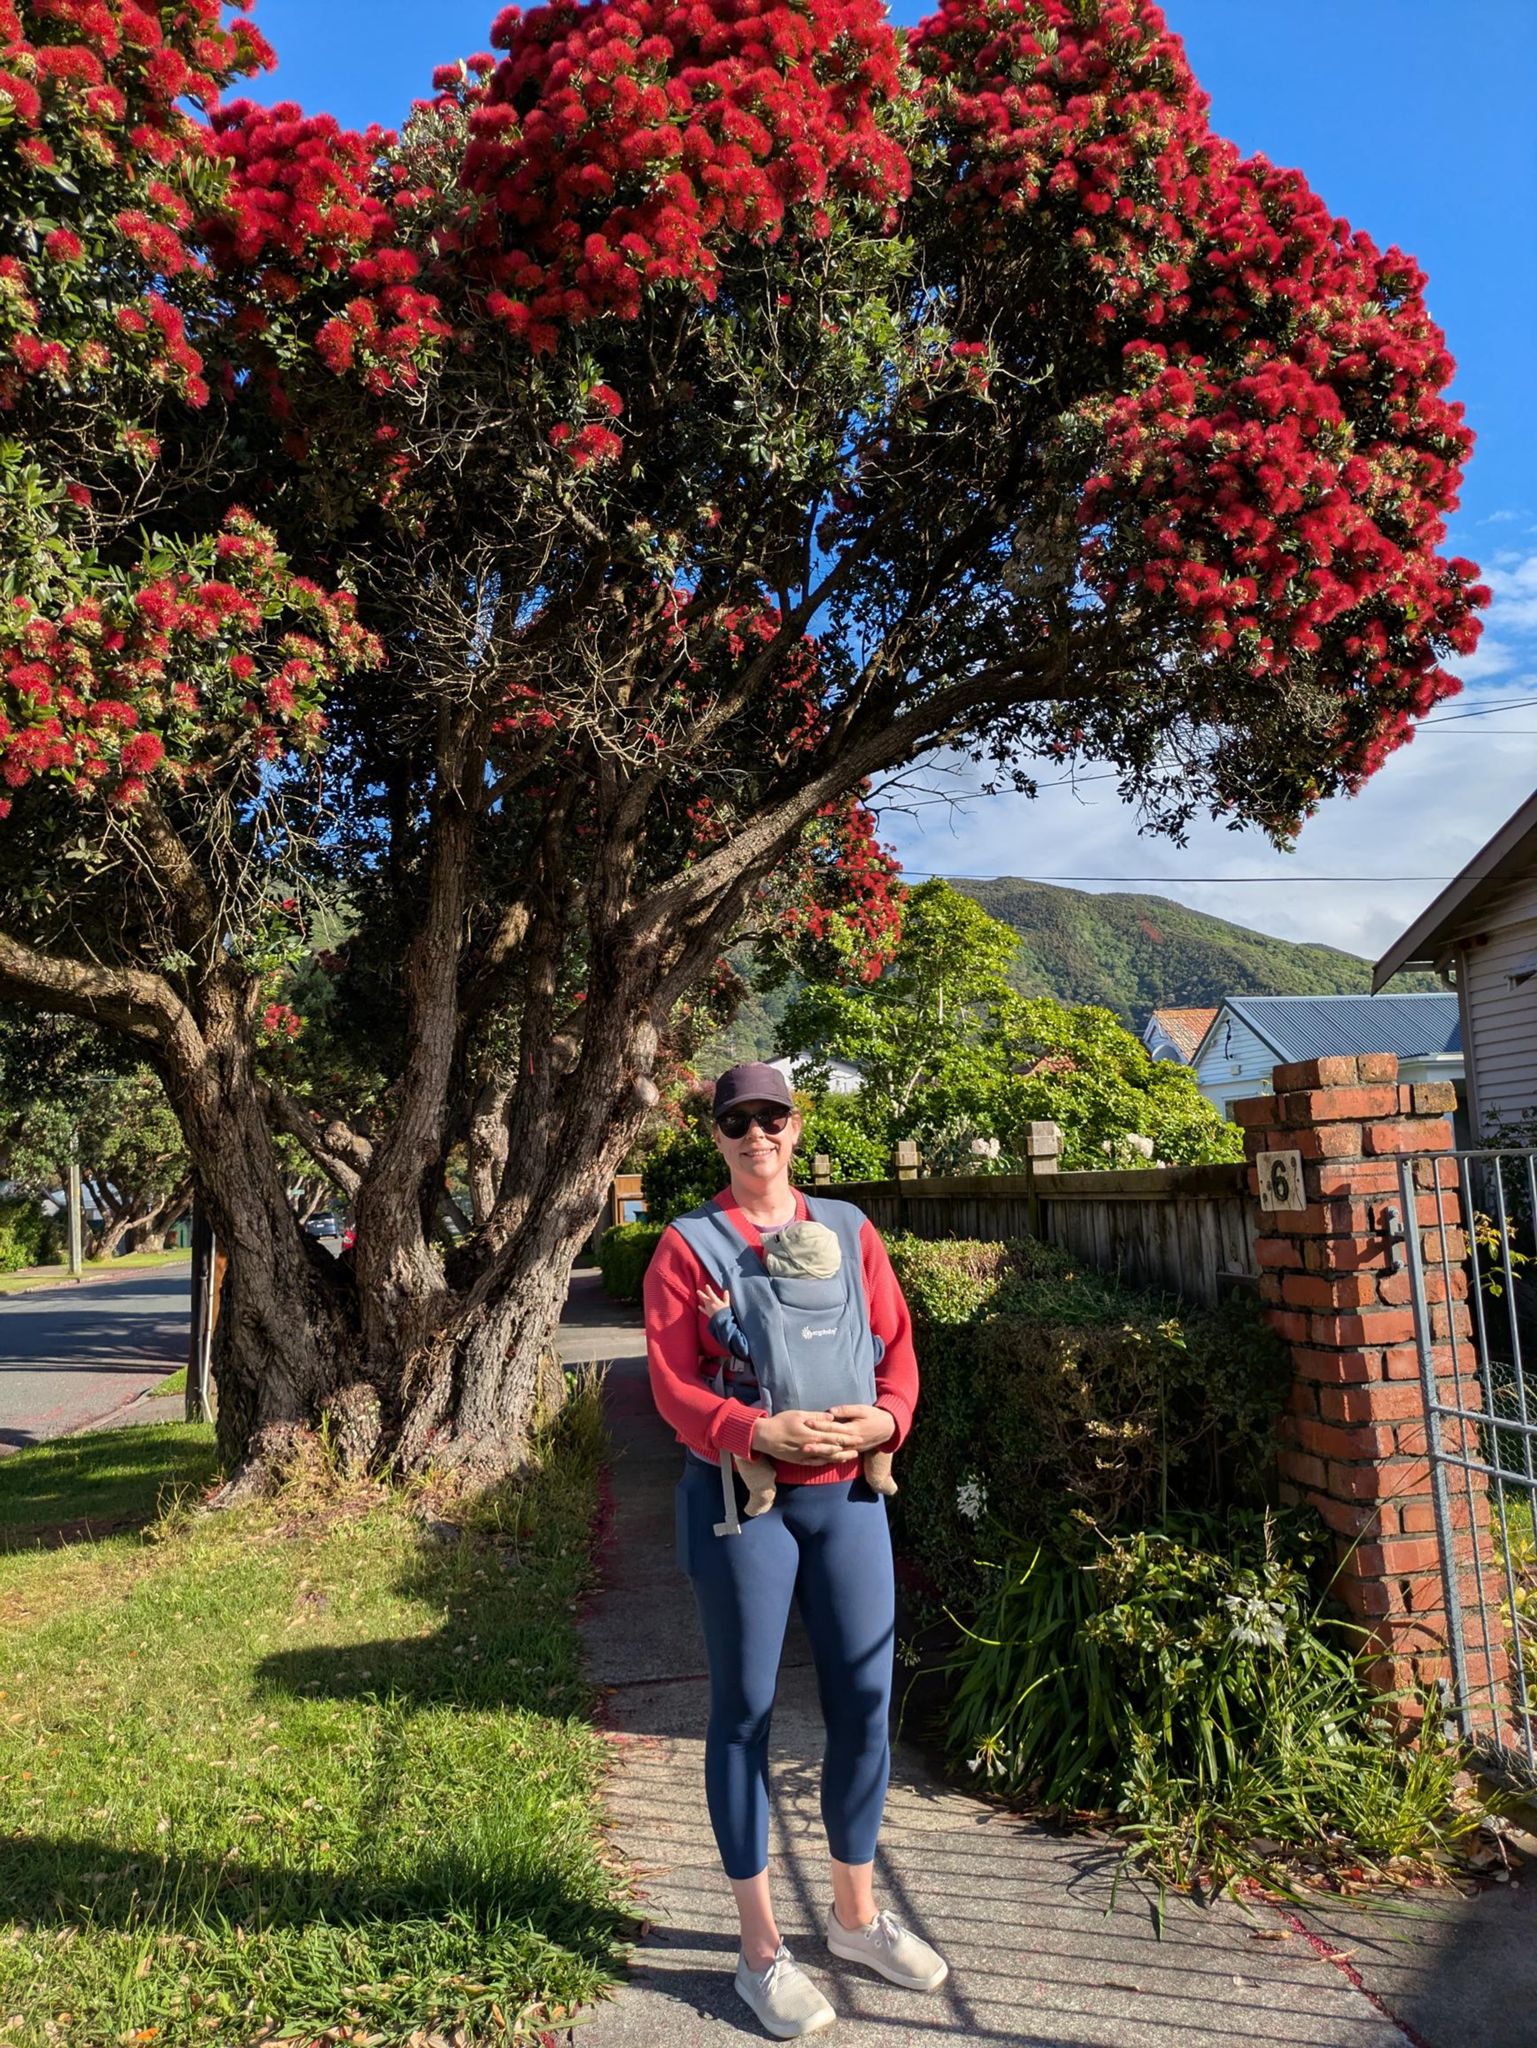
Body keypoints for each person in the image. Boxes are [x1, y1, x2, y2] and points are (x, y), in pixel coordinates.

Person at [643, 1061, 948, 2039]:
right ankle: (760, 1951)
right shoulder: (688, 1246)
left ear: (795, 1125)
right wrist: (749, 1429)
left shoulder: (852, 1230)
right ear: (717, 1135)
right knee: (744, 1713)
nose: (756, 1134)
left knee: (864, 1701)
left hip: (850, 1498)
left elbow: (897, 1348)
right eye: (736, 1120)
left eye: (770, 1116)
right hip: (743, 1505)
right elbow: (671, 1384)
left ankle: (854, 1919)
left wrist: (888, 1418)